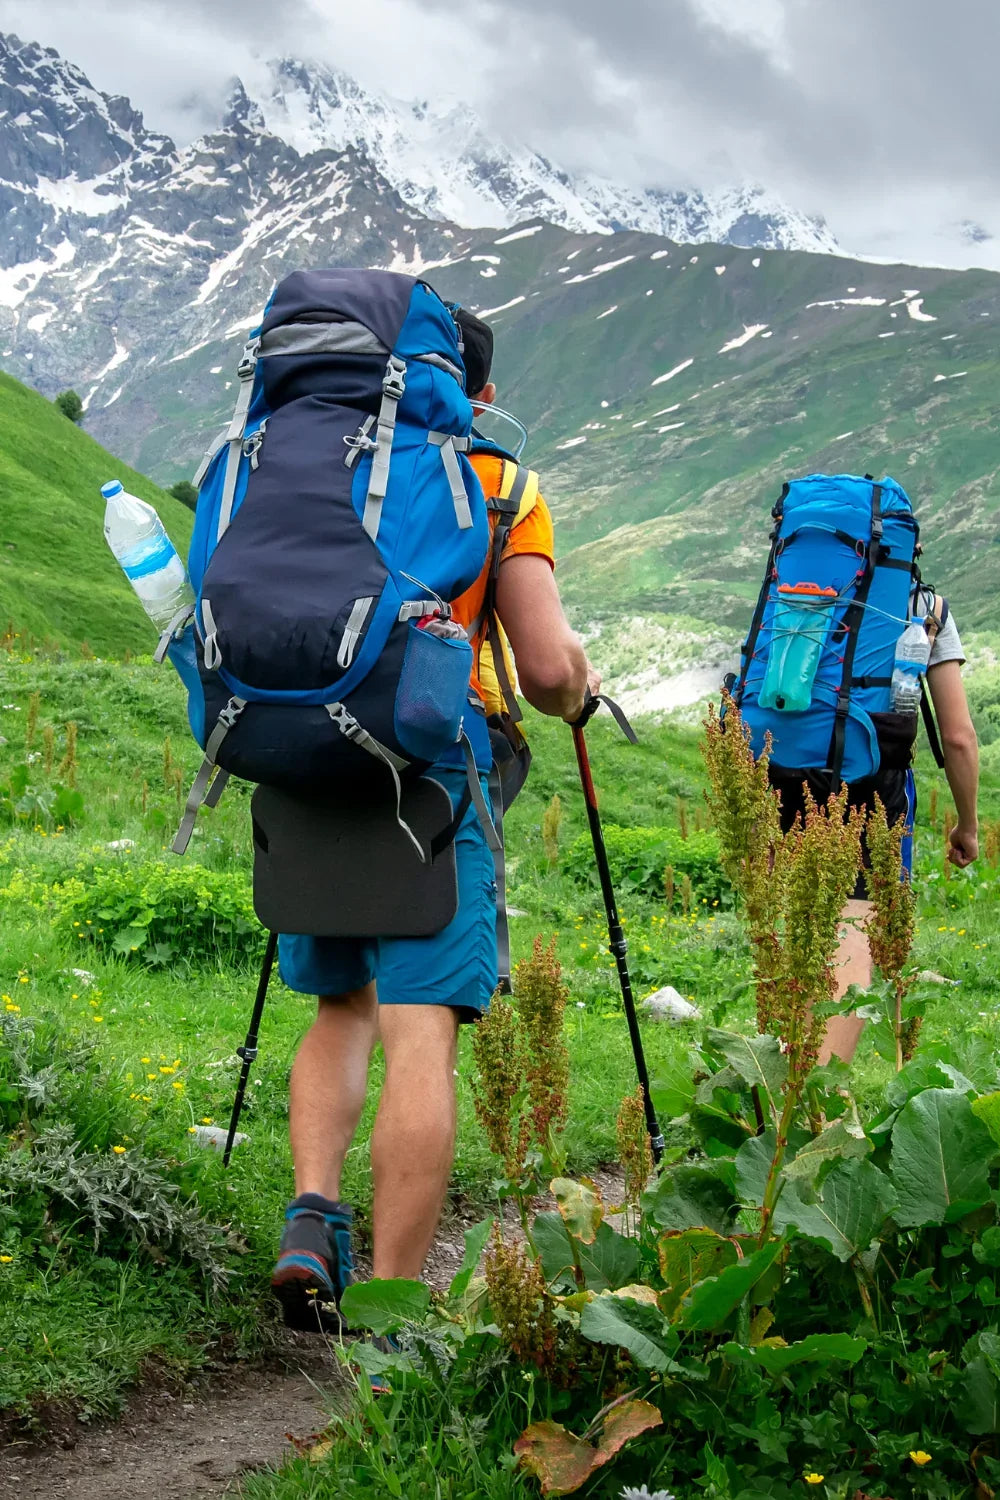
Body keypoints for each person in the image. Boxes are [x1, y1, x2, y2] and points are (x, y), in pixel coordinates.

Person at [269, 306, 598, 1330]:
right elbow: (543, 671)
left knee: (340, 1007)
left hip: (304, 757)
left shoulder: (298, 463)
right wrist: (581, 691)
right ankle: (387, 1317)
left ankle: (313, 1219)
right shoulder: (499, 485)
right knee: (421, 1031)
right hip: (434, 774)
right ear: (474, 395)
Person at [787, 587, 980, 1065]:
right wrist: (968, 825)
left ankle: (782, 1086)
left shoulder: (796, 583)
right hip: (871, 777)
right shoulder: (925, 609)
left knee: (802, 930)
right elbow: (957, 737)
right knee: (851, 929)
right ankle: (818, 1112)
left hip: (786, 768)